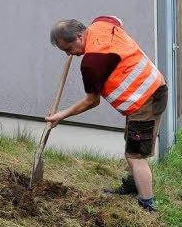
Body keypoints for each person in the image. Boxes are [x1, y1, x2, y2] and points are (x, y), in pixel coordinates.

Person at [48, 17, 167, 212]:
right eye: (65, 52)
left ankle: (147, 205)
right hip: (151, 89)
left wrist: (60, 116)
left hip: (145, 100)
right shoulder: (101, 24)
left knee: (136, 156)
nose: (69, 54)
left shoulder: (92, 63)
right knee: (132, 145)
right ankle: (132, 184)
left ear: (79, 35)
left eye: (68, 49)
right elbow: (117, 19)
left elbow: (92, 101)